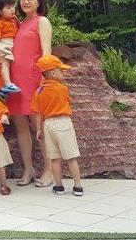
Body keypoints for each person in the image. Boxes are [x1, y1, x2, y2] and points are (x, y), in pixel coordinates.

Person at [5, 0, 54, 187]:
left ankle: (49, 170)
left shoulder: (42, 21)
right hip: (15, 81)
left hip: (34, 80)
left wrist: (44, 78)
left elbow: (46, 53)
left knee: (38, 125)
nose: (25, 2)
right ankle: (28, 169)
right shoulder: (18, 23)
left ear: (39, 1)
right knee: (20, 126)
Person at [31, 54, 83, 196]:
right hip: (63, 122)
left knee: (54, 158)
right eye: (61, 70)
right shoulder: (62, 89)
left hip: (47, 125)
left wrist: (39, 129)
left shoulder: (38, 91)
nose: (63, 73)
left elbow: (37, 113)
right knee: (71, 156)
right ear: (53, 73)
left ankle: (59, 186)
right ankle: (77, 186)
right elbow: (68, 102)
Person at [0, 0, 21, 95]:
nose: (12, 9)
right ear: (0, 12)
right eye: (8, 7)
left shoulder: (13, 19)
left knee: (7, 65)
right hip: (4, 44)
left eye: (13, 6)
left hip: (11, 43)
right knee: (5, 63)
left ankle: (2, 86)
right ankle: (7, 84)